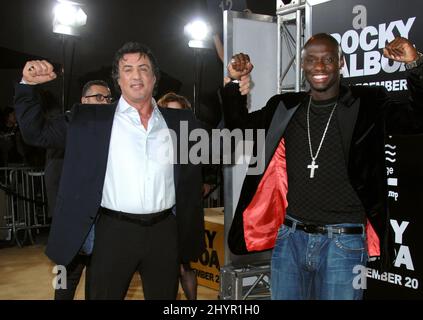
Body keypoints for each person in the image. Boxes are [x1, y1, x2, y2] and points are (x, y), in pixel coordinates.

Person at [221, 34, 423, 300]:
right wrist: (235, 80)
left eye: (328, 59)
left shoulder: (368, 103)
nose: (319, 67)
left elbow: (417, 119)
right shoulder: (284, 107)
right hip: (290, 239)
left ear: (340, 62)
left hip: (343, 243)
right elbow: (238, 127)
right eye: (312, 60)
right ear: (302, 65)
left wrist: (416, 65)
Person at [14, 42, 206, 300]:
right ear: (118, 80)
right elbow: (34, 132)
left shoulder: (181, 122)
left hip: (165, 233)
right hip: (113, 231)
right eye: (127, 69)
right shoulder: (90, 119)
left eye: (143, 68)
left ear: (154, 77)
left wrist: (234, 89)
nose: (136, 75)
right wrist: (27, 86)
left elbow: (229, 141)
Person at [47, 80, 112, 300]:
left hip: (100, 224)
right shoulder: (68, 128)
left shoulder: (112, 133)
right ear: (84, 101)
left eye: (108, 98)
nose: (105, 102)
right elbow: (55, 178)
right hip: (70, 227)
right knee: (63, 285)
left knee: (97, 289)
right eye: (99, 97)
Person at [157, 92, 198, 300]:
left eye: (179, 113)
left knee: (184, 265)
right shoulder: (153, 141)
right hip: (158, 214)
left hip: (182, 211)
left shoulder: (193, 141)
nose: (175, 118)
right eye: (169, 112)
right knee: (165, 270)